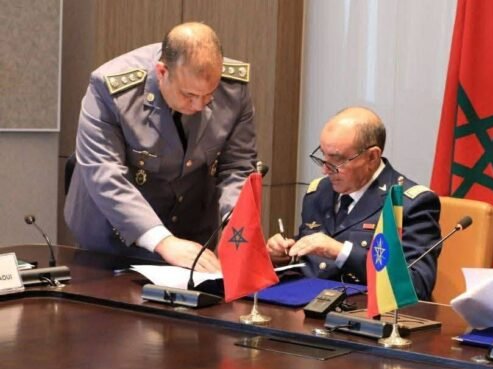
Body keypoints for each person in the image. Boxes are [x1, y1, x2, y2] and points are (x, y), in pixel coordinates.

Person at [64, 22, 257, 271]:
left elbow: (238, 167)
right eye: (189, 95)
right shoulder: (111, 90)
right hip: (113, 241)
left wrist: (234, 225)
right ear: (162, 72)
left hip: (190, 240)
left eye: (209, 94)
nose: (200, 105)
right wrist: (162, 241)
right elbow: (104, 174)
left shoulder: (234, 87)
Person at [266, 107, 441, 300]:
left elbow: (416, 285)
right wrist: (282, 255)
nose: (325, 170)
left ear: (372, 157)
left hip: (361, 310)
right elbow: (312, 260)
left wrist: (341, 252)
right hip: (305, 303)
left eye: (337, 160)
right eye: (323, 156)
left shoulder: (408, 203)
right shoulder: (319, 192)